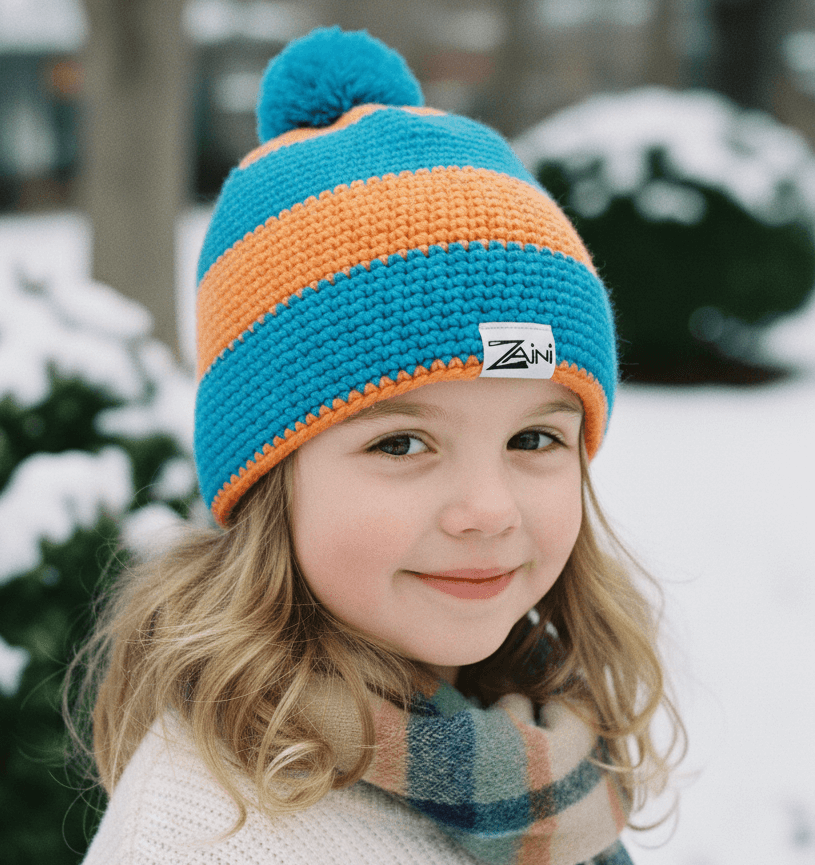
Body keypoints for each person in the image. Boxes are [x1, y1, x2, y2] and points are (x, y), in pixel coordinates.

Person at [67, 26, 684, 865]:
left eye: (534, 436)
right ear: (268, 477)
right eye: (400, 443)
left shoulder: (541, 742)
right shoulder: (213, 835)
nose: (487, 510)